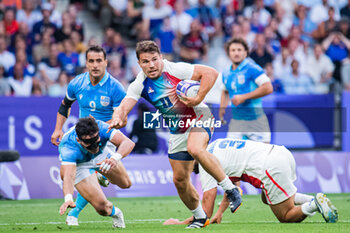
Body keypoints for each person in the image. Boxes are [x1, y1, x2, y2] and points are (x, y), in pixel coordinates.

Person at [109, 40, 242, 229]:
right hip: (177, 128)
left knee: (195, 148)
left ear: (161, 58)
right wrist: (118, 117)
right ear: (139, 63)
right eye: (146, 61)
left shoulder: (176, 69)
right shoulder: (139, 84)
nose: (152, 65)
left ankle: (230, 189)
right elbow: (124, 106)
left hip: (199, 116)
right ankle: (199, 217)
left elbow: (210, 73)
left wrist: (198, 98)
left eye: (155, 59)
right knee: (179, 180)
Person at [164, 138, 339, 225]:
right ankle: (310, 200)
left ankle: (314, 204)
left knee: (285, 216)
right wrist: (221, 213)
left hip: (271, 167)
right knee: (266, 198)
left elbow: (205, 212)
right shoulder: (216, 144)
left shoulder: (205, 163)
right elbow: (232, 188)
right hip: (280, 152)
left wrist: (181, 222)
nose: (185, 166)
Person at [51, 45, 127, 226]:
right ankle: (74, 211)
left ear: (106, 62)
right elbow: (64, 106)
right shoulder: (77, 83)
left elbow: (122, 120)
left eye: (99, 61)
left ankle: (78, 207)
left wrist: (103, 127)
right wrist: (58, 129)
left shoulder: (115, 88)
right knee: (67, 172)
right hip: (81, 137)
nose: (95, 65)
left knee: (125, 183)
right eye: (91, 61)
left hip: (104, 139)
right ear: (86, 63)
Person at [58, 117, 135, 228]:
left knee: (126, 184)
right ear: (78, 140)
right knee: (102, 209)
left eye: (96, 140)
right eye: (89, 142)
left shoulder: (102, 127)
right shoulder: (69, 148)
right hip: (81, 164)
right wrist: (68, 198)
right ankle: (116, 213)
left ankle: (100, 175)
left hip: (102, 155)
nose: (94, 146)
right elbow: (68, 176)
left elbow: (128, 143)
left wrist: (114, 158)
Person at [219, 37, 273, 144]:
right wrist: (222, 109)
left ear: (245, 52)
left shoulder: (253, 68)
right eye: (233, 50)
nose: (236, 53)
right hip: (236, 121)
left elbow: (268, 87)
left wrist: (244, 97)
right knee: (231, 156)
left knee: (261, 158)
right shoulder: (226, 73)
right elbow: (225, 91)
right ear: (228, 53)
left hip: (256, 121)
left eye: (239, 50)